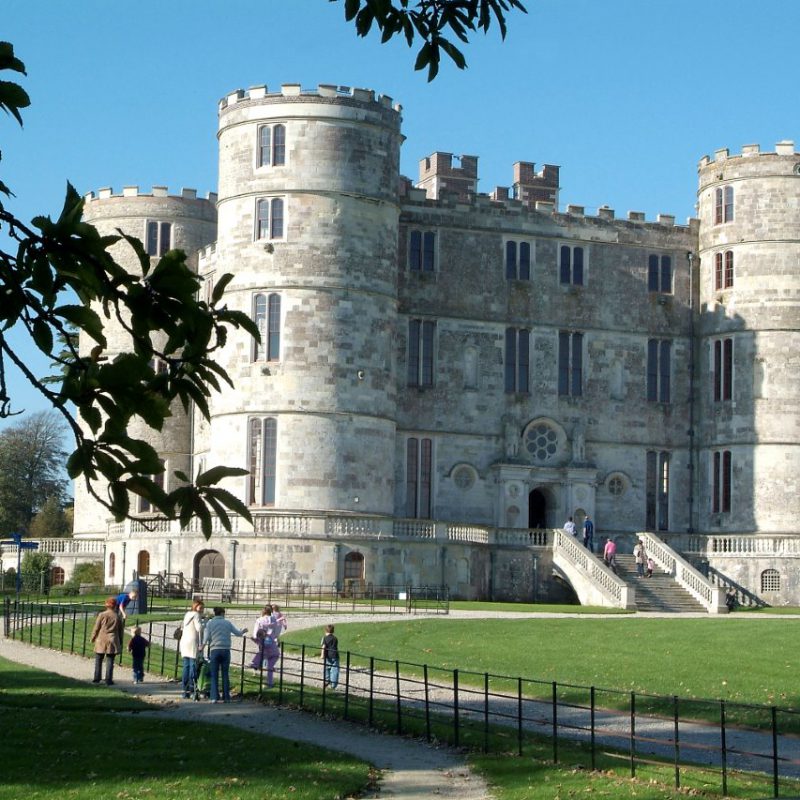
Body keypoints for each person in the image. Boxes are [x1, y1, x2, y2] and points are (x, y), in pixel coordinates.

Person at [204, 607, 247, 703]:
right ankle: (226, 697)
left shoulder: (210, 623)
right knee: (225, 674)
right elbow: (238, 633)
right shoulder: (227, 623)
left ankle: (214, 697)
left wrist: (202, 646)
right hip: (225, 649)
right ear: (223, 613)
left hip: (214, 649)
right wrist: (243, 631)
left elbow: (206, 637)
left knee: (214, 674)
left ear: (215, 614)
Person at [90, 597, 124, 685]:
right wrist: (120, 641)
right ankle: (108, 680)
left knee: (98, 659)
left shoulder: (102, 615)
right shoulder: (117, 616)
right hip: (112, 639)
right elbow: (121, 631)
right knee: (110, 660)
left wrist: (93, 637)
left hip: (101, 639)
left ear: (106, 605)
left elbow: (96, 628)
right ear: (115, 606)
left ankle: (97, 678)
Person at [179, 599, 205, 699]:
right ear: (196, 606)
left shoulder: (187, 614)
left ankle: (184, 691)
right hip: (192, 642)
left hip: (184, 642)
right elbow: (199, 628)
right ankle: (192, 689)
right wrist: (205, 623)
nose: (202, 609)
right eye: (201, 607)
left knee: (186, 666)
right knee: (193, 667)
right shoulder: (196, 615)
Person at [250, 605, 281, 688]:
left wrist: (255, 639)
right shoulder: (274, 620)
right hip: (272, 644)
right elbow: (277, 632)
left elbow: (255, 634)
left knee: (262, 654)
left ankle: (256, 664)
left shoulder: (259, 620)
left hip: (263, 643)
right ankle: (269, 683)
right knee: (270, 665)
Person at [321, 624, 340, 689]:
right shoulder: (335, 638)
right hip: (335, 655)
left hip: (328, 656)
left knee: (326, 668)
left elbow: (323, 647)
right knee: (334, 670)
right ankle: (333, 684)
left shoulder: (325, 638)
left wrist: (322, 655)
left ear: (325, 631)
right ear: (333, 631)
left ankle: (326, 680)